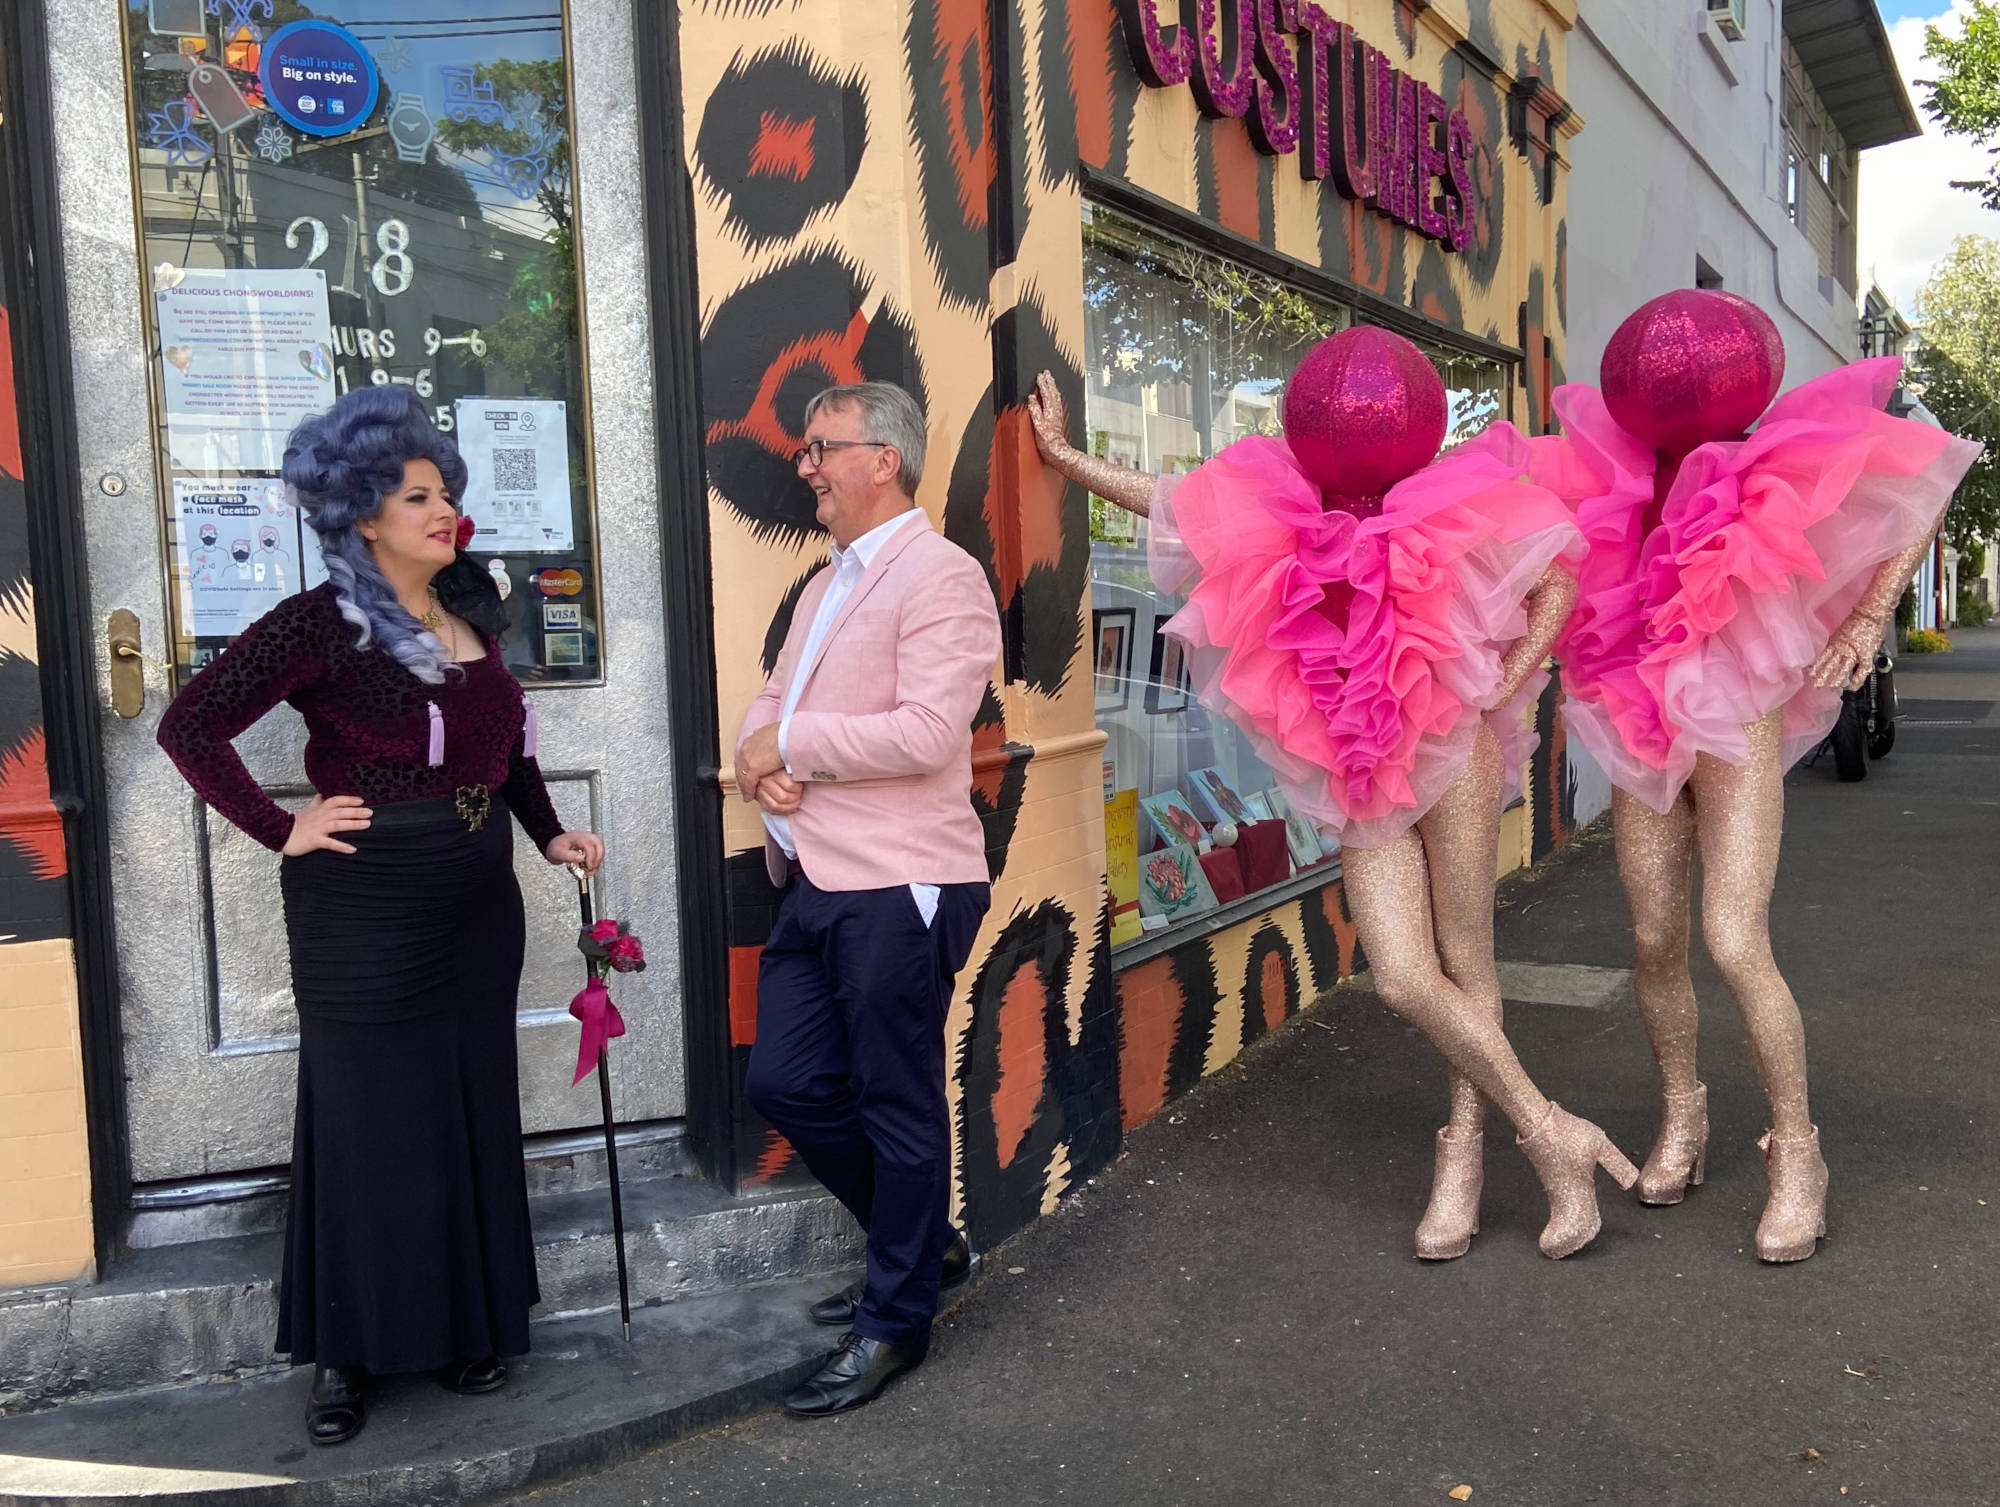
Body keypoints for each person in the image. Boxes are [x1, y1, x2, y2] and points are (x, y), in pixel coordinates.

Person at [1030, 327, 1641, 1262]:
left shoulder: (1456, 500)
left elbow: (1559, 572)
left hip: (1456, 749)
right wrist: (1068, 461)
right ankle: (1554, 1128)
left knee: (1469, 959)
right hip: (1359, 763)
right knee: (1401, 972)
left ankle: (1466, 1155)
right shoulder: (1279, 507)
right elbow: (1177, 506)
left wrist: (1500, 686)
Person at [157, 387, 605, 1445]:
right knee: (366, 1125)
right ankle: (346, 1354)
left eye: (445, 490)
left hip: (477, 903)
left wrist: (546, 833)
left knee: (465, 1104)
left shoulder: (475, 604)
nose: (443, 509)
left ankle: (465, 1323)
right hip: (363, 905)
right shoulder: (319, 626)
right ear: (364, 513)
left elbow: (514, 747)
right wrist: (280, 827)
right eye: (418, 496)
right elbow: (190, 724)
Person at [1542, 289, 1981, 1261]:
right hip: (1641, 717)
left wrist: (1869, 617)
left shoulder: (1774, 453)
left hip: (1736, 711)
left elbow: (1931, 474)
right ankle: (1683, 1118)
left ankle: (1796, 1154)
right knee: (1651, 936)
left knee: (1733, 936)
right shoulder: (1606, 468)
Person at [736, 381, 1001, 1415]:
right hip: (815, 877)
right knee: (786, 1084)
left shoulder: (941, 577)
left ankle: (894, 1323)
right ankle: (923, 1247)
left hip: (904, 884)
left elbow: (927, 733)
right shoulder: (824, 583)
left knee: (895, 1103)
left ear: (881, 457)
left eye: (819, 449)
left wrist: (791, 748)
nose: (804, 466)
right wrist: (758, 761)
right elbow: (773, 701)